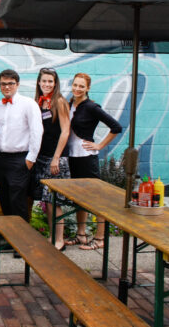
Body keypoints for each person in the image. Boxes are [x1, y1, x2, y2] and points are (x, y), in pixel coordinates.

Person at [67, 73, 122, 250]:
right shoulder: (69, 104)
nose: (77, 89)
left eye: (81, 86)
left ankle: (100, 238)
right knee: (79, 198)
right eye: (75, 85)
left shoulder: (91, 107)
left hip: (86, 157)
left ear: (88, 88)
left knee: (97, 198)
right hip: (72, 157)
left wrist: (99, 145)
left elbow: (116, 127)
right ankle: (81, 234)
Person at [0, 69, 43, 221]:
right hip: (0, 159)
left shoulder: (28, 104)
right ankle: (8, 233)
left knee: (17, 201)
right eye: (3, 84)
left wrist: (31, 158)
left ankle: (22, 234)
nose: (7, 87)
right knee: (4, 198)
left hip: (20, 159)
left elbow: (37, 131)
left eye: (11, 83)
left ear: (17, 84)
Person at [34, 68, 71, 251]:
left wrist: (56, 158)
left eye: (50, 81)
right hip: (41, 157)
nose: (47, 84)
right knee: (46, 201)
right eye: (44, 81)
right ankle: (51, 236)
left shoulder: (59, 102)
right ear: (39, 82)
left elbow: (65, 131)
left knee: (54, 201)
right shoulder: (39, 102)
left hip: (55, 159)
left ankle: (59, 240)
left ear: (55, 83)